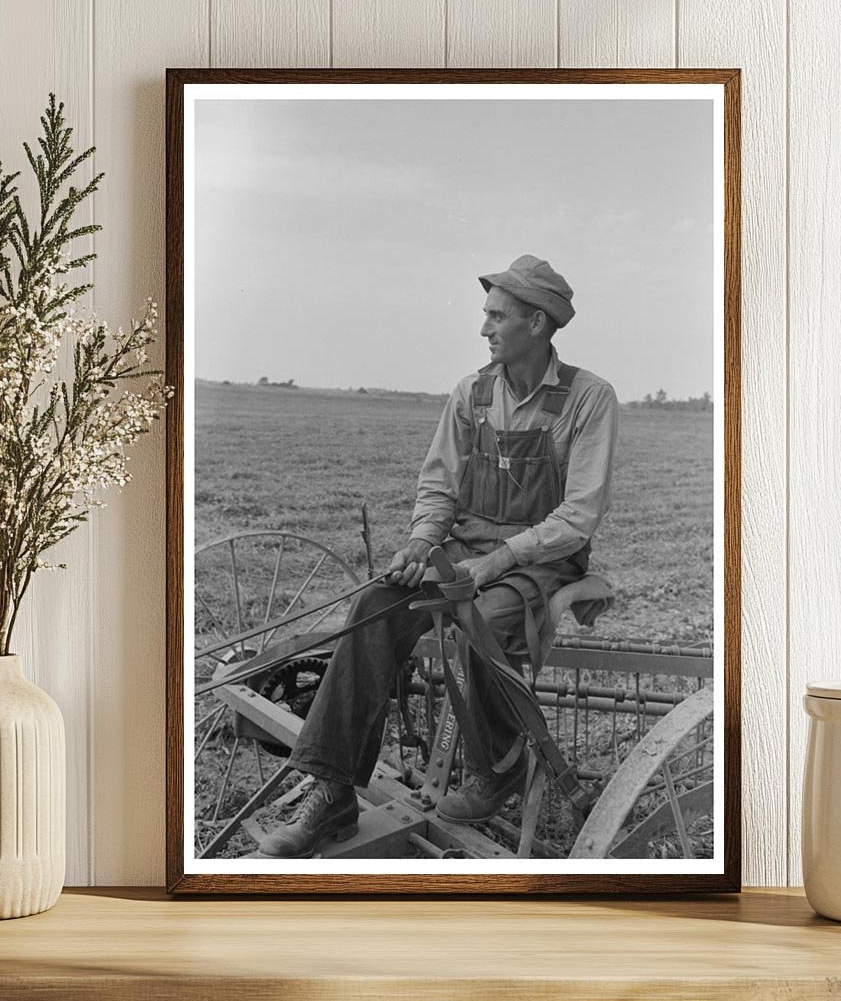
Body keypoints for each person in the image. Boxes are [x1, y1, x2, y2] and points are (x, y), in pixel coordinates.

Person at [259, 254, 619, 857]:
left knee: (478, 618)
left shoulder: (588, 399)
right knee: (376, 605)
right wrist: (422, 543)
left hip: (541, 561)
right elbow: (438, 488)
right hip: (464, 551)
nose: (483, 329)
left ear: (536, 322)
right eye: (485, 316)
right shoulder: (470, 394)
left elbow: (579, 516)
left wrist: (496, 563)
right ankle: (333, 792)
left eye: (497, 316)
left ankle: (497, 768)